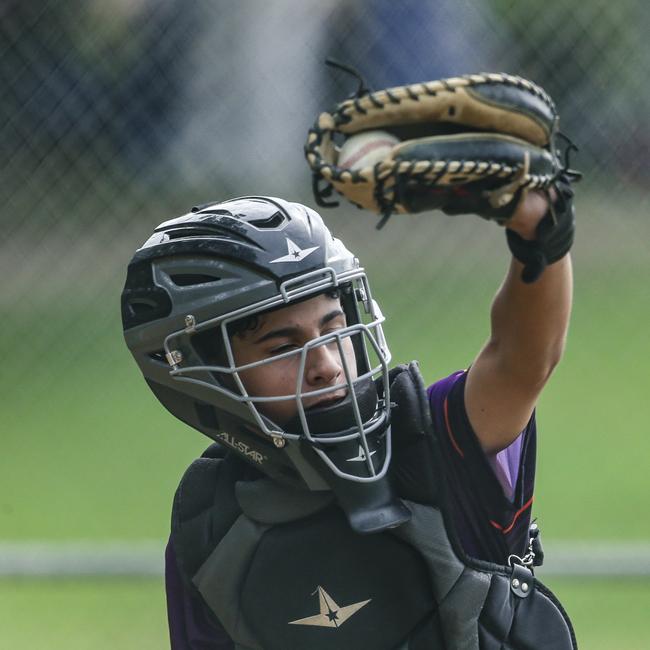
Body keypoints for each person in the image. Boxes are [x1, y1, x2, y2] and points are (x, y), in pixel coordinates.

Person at [121, 191, 577, 649]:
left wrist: (539, 231)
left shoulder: (433, 434)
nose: (327, 364)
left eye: (334, 329)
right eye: (283, 348)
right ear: (204, 377)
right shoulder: (213, 524)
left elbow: (522, 357)